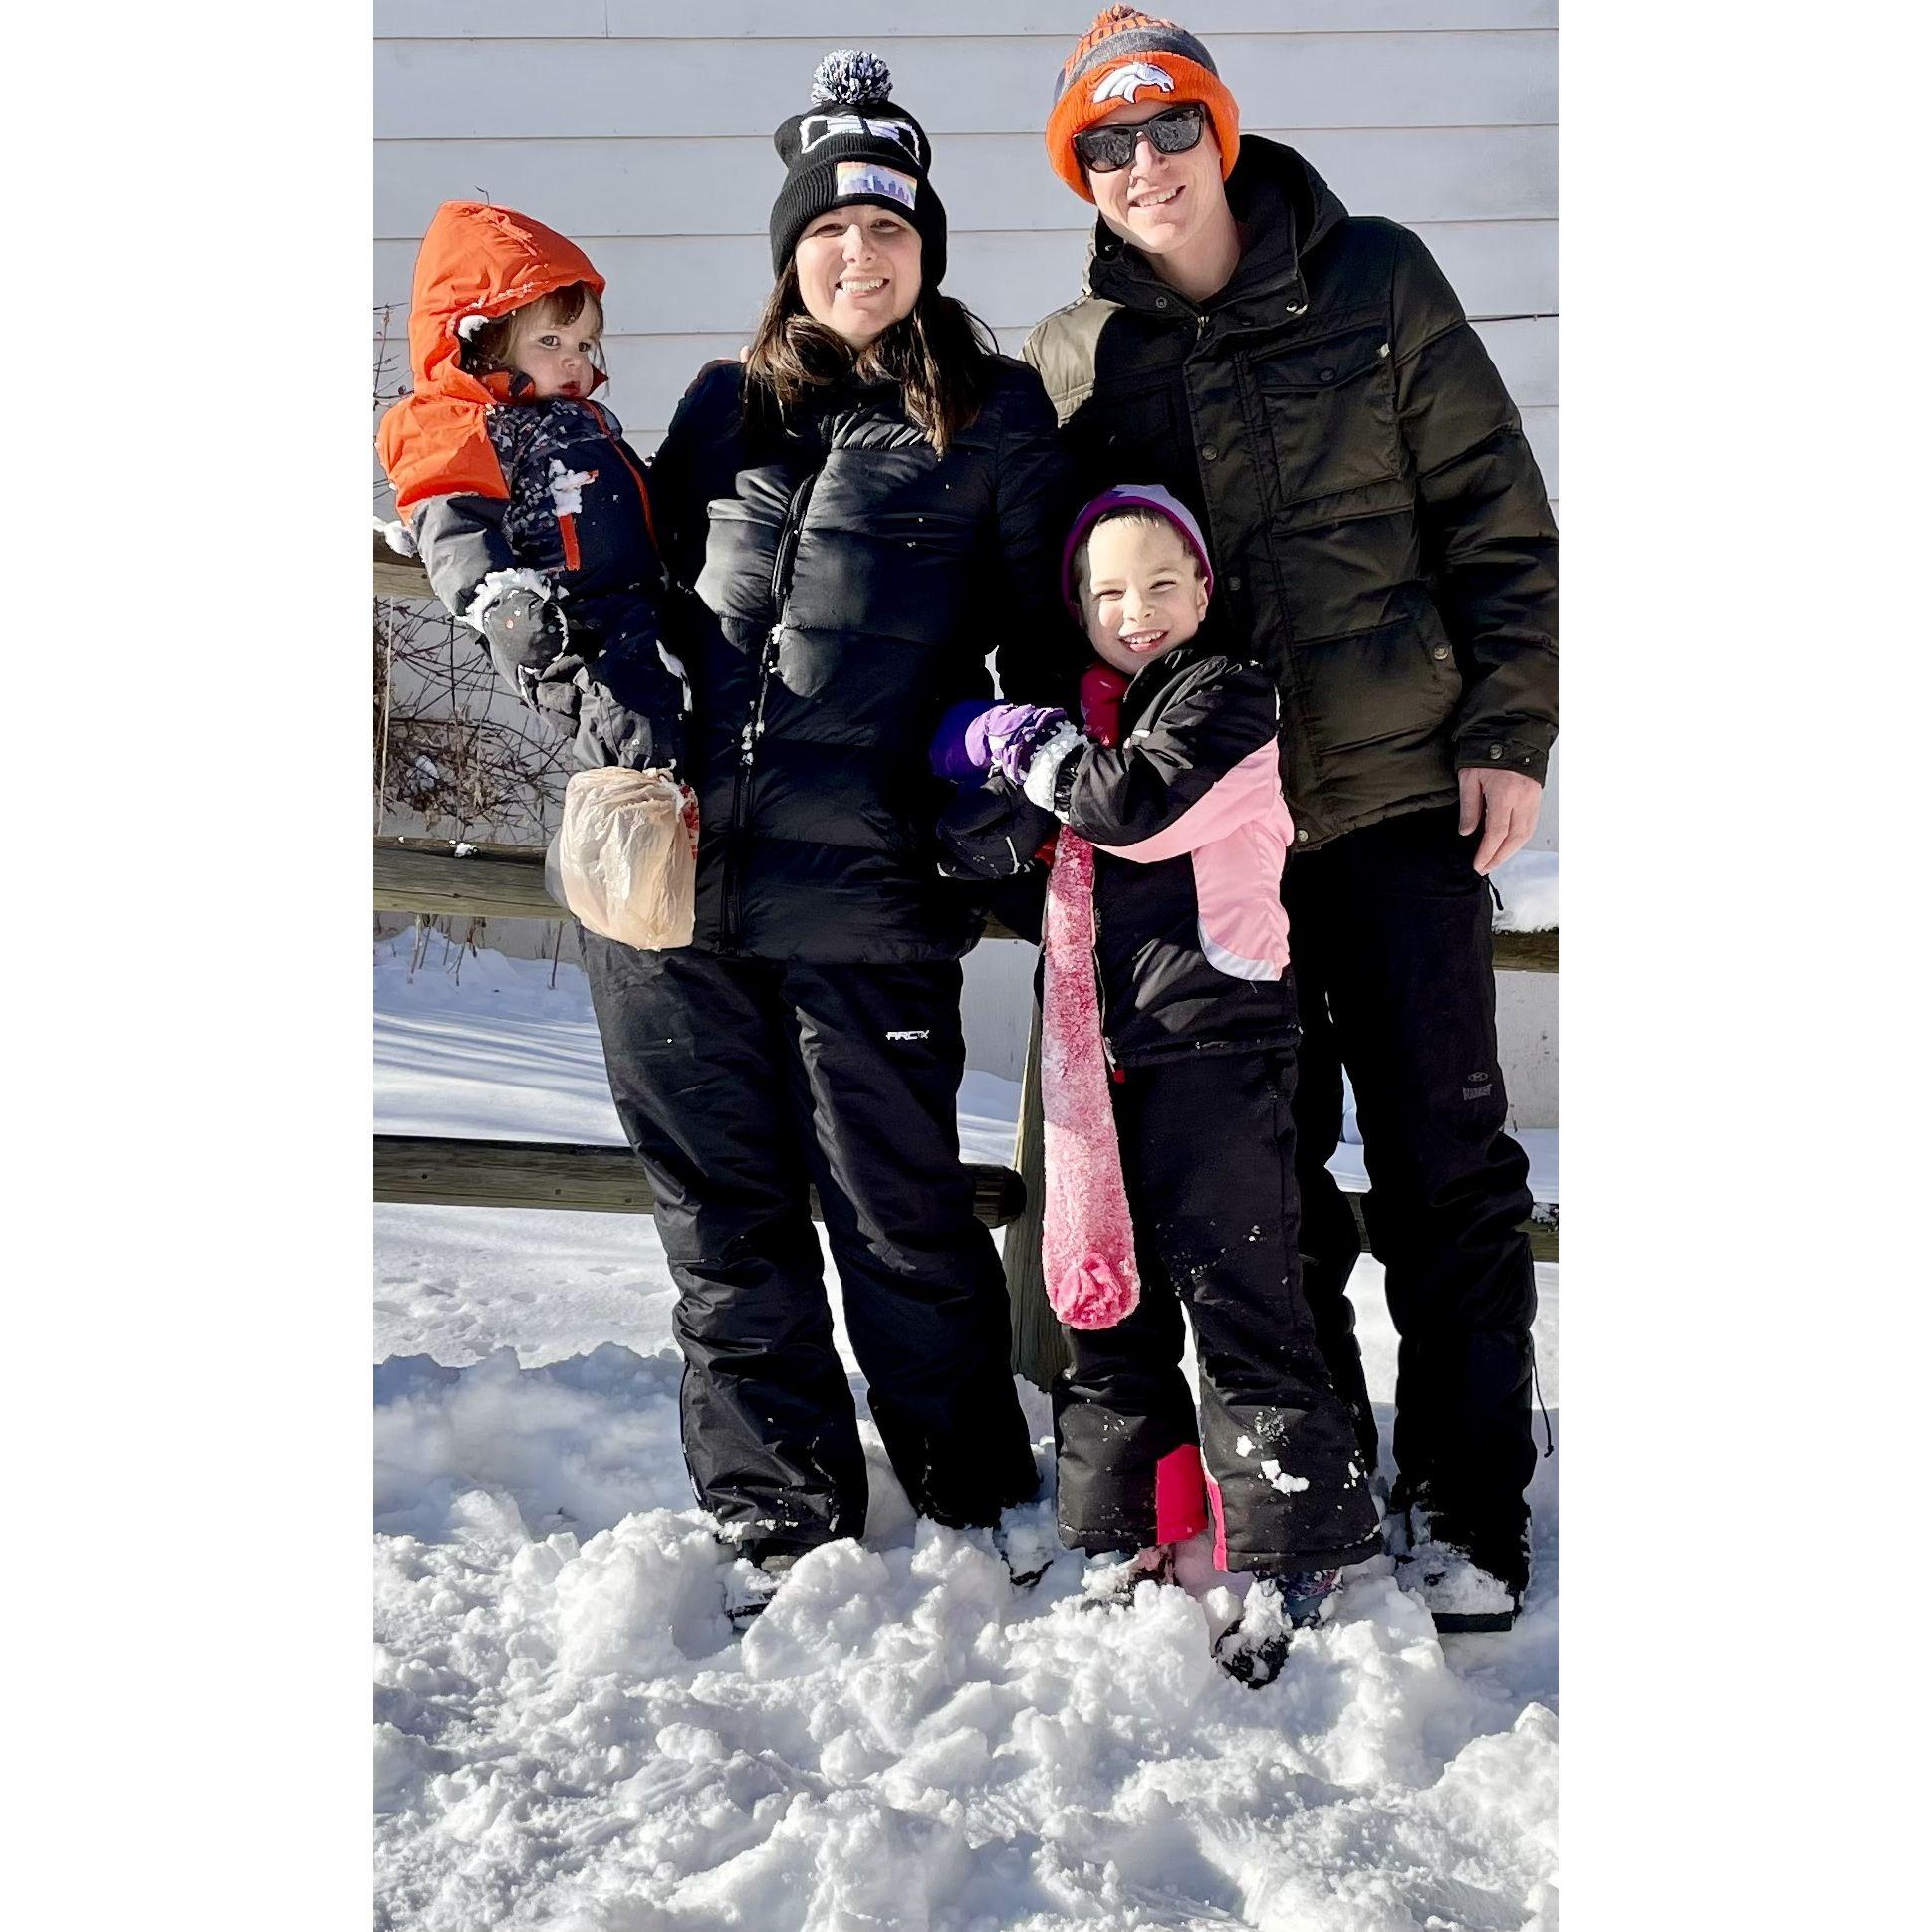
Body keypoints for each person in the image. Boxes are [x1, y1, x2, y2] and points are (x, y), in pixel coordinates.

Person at [1024, 8, 1559, 1631]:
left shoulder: (1375, 280)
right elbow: (1063, 596)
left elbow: (1499, 523)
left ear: (1221, 130)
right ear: (1085, 176)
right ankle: (1310, 1487)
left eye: (1167, 127)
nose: (1144, 165)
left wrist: (1509, 730)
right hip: (1212, 854)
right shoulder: (1083, 356)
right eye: (1105, 146)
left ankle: (1467, 1503)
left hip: (1401, 806)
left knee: (1442, 1162)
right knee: (1265, 1182)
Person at [581, 50, 1075, 1620]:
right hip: (671, 899)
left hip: (865, 898)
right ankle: (776, 1512)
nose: (859, 257)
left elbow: (1046, 659)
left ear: (925, 245)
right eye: (829, 231)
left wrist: (981, 816)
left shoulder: (991, 418)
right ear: (789, 251)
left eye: (889, 228)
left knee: (899, 1219)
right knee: (723, 1230)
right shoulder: (724, 405)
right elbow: (640, 601)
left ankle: (971, 1486)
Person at [933, 485, 1380, 1686]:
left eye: (1159, 584)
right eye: (1107, 590)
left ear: (1202, 592)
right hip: (1099, 1053)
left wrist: (1017, 744)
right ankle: (1133, 1524)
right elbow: (988, 857)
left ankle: (1296, 1539)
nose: (1135, 609)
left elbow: (1128, 807)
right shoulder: (1092, 719)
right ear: (1078, 606)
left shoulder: (1225, 699)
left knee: (1244, 1294)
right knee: (1110, 1299)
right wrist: (976, 773)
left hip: (1216, 1042)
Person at [376, 200, 683, 777]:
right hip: (567, 625)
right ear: (485, 340)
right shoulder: (460, 425)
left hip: (636, 604)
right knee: (631, 736)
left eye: (583, 345)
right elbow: (452, 524)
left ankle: (673, 831)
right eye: (550, 342)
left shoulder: (578, 419)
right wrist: (498, 602)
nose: (573, 361)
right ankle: (638, 843)